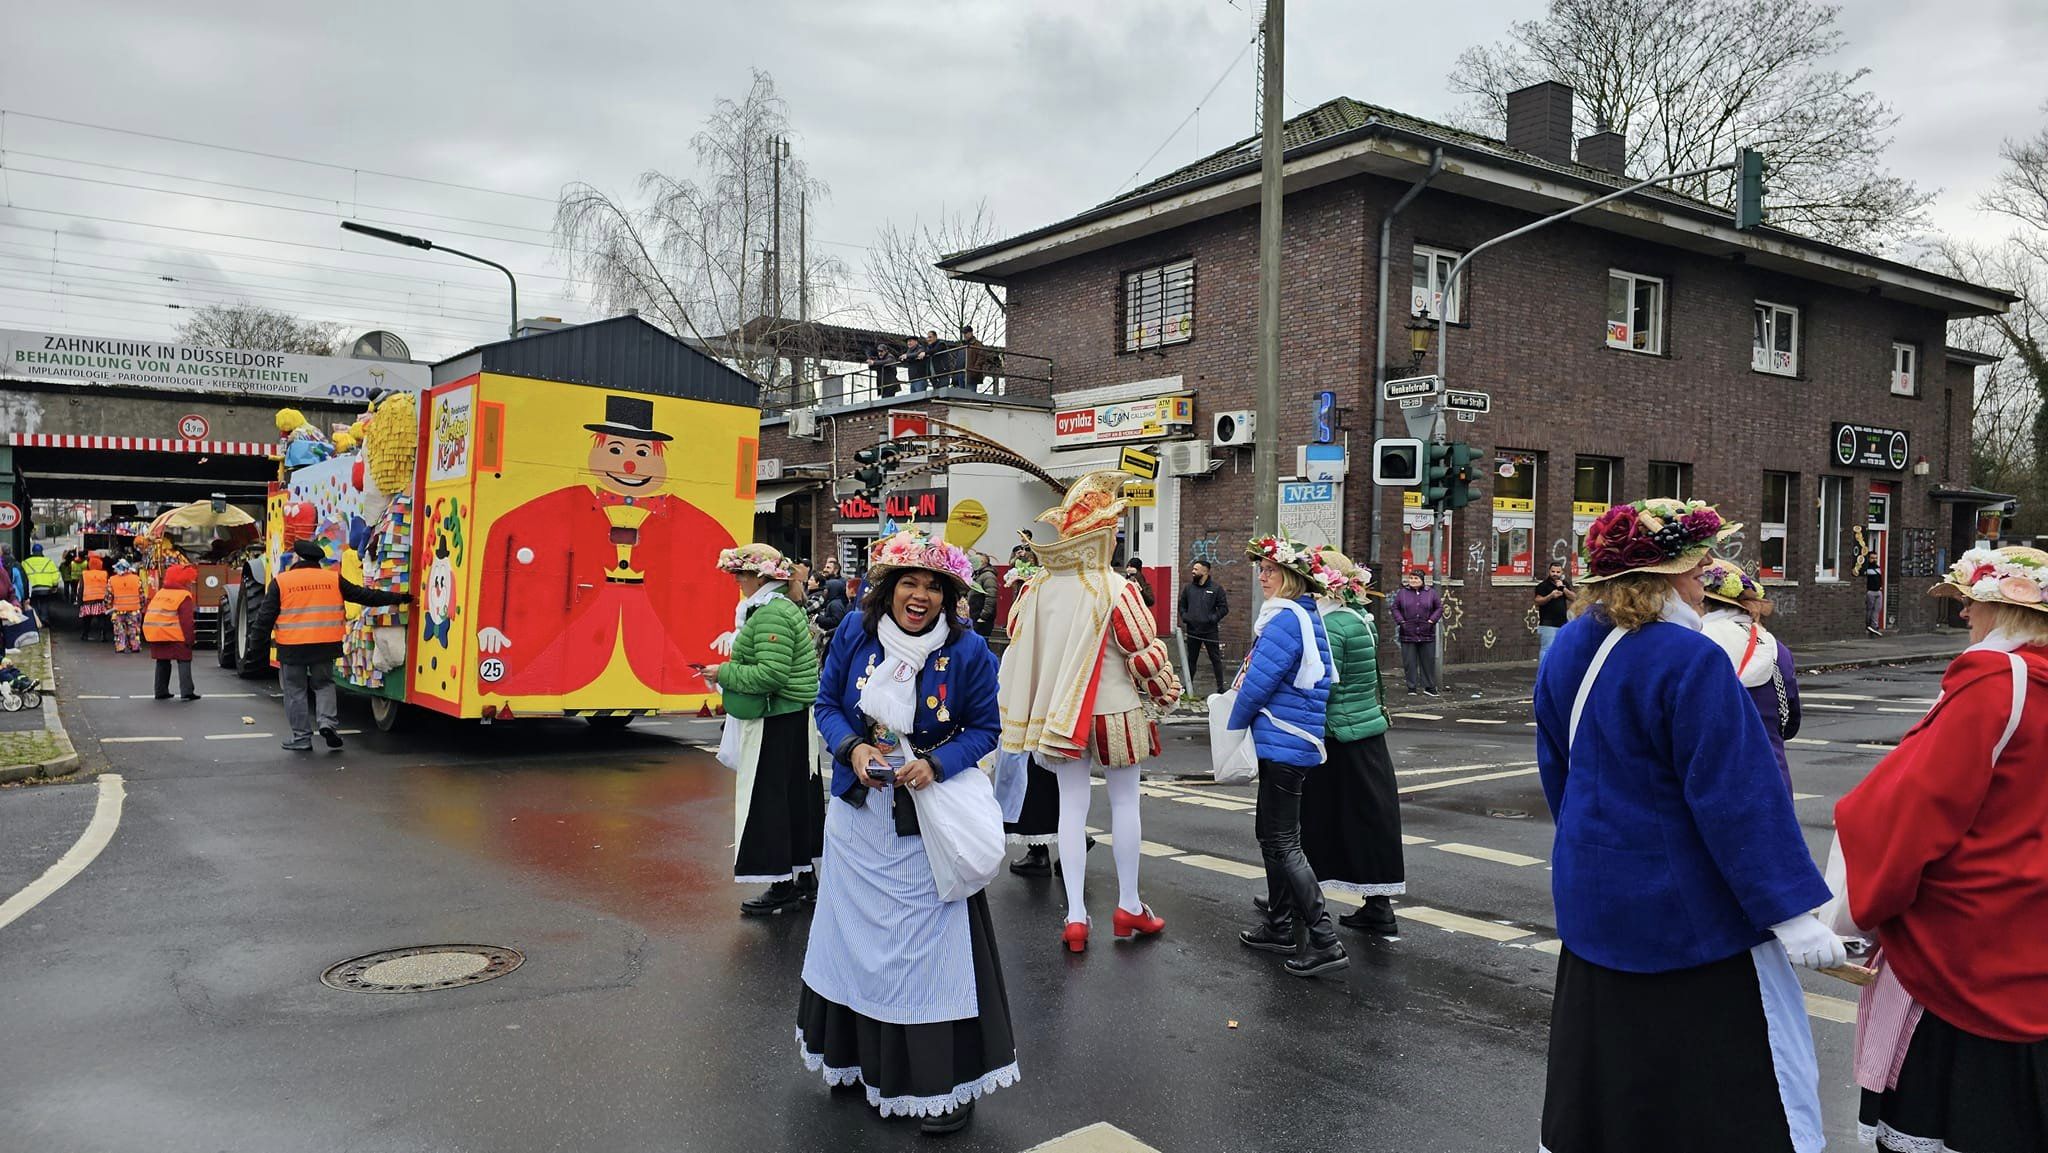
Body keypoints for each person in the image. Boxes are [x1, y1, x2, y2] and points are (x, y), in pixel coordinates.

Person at [1535, 497, 1839, 1153]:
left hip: (1594, 910)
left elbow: (1560, 770)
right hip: (1689, 928)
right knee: (1710, 1100)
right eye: (1698, 571)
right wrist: (1792, 912)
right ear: (1665, 578)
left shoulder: (1565, 650)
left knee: (1615, 1091)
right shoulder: (1691, 659)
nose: (1705, 584)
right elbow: (1736, 795)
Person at [1824, 545, 2048, 1153]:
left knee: (1942, 1116)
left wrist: (1854, 909)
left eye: (1972, 607)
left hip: (1965, 941)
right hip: (2032, 929)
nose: (1965, 620)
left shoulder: (1993, 686)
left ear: (2004, 614)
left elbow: (1907, 814)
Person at [799, 529, 1015, 1135]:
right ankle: (861, 1063)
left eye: (932, 586)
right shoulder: (854, 633)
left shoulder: (970, 653)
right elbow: (826, 705)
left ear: (947, 597)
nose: (919, 596)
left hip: (928, 824)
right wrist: (853, 745)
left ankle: (938, 1083)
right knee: (857, 948)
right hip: (859, 819)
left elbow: (985, 728)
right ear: (888, 589)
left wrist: (937, 763)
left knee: (926, 956)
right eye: (909, 583)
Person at [997, 472, 1182, 951]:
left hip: (1058, 716)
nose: (1119, 533)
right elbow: (1142, 650)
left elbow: (1020, 638)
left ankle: (1077, 917)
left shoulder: (1035, 588)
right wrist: (1166, 691)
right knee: (1125, 805)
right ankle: (1129, 905)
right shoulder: (1116, 587)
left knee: (1071, 809)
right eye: (1115, 525)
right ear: (1100, 533)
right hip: (1114, 711)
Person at [1230, 531, 1345, 978]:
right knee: (1271, 835)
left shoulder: (1284, 620)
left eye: (1270, 570)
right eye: (1261, 569)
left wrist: (1232, 723)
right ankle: (1279, 926)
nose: (1262, 576)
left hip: (1284, 740)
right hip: (1290, 741)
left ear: (1291, 578)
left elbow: (1258, 682)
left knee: (1282, 841)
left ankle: (1324, 938)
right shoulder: (1300, 615)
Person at [702, 544, 824, 917]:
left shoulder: (770, 613)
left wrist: (721, 672)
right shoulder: (783, 607)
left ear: (759, 576)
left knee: (770, 803)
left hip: (776, 718)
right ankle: (803, 879)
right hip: (792, 718)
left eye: (740, 574)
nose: (737, 581)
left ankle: (782, 884)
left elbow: (770, 675)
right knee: (795, 801)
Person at [1302, 550, 1403, 935]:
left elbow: (1325, 682)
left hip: (1338, 733)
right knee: (1369, 818)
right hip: (1366, 728)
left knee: (1317, 819)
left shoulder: (1330, 626)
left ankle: (1299, 896)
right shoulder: (1360, 618)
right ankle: (1378, 903)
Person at [255, 540, 409, 751]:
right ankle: (327, 723)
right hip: (325, 645)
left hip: (292, 647)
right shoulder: (332, 579)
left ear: (298, 558)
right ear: (318, 560)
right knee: (324, 685)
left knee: (296, 691)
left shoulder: (282, 581)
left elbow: (264, 618)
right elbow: (364, 596)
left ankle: (301, 738)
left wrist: (257, 647)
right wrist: (399, 598)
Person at [1699, 560, 1800, 792]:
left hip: (1713, 775)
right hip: (1770, 773)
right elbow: (1788, 722)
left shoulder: (1694, 642)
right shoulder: (1777, 649)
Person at [143, 563, 201, 701]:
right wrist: (190, 639)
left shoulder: (160, 593)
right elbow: (187, 621)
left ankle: (160, 691)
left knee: (162, 661)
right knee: (184, 660)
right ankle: (187, 692)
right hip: (174, 635)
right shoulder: (183, 596)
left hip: (155, 633)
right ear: (184, 580)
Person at [1179, 558, 1229, 694]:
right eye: (1193, 569)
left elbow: (1224, 608)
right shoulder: (1189, 588)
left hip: (1209, 631)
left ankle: (1221, 687)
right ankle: (1187, 688)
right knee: (1191, 660)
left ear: (1205, 571)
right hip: (1192, 630)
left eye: (1196, 569)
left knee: (1215, 659)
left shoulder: (1216, 589)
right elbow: (1182, 605)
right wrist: (1185, 617)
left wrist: (1212, 619)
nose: (1193, 571)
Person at [1389, 569, 1442, 696]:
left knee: (1427, 661)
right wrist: (1401, 622)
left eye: (1416, 578)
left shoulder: (1431, 593)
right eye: (1411, 578)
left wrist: (1431, 621)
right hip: (1407, 631)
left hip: (1426, 631)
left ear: (1422, 580)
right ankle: (1411, 687)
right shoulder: (1403, 593)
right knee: (1409, 661)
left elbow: (1439, 608)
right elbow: (1395, 608)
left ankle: (1429, 687)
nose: (1413, 581)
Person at [1532, 561, 1572, 663]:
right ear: (1549, 571)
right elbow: (1538, 601)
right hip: (1547, 623)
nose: (1555, 574)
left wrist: (1563, 588)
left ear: (1561, 572)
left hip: (1562, 623)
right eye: (1553, 571)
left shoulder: (1564, 584)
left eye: (1558, 572)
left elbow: (1574, 598)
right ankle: (1543, 673)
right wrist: (1551, 596)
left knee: (1560, 649)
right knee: (1547, 649)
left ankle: (1555, 672)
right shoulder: (1543, 585)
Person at [107, 561, 146, 653]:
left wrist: (107, 607)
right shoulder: (136, 579)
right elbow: (142, 595)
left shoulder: (112, 580)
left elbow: (108, 596)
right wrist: (142, 605)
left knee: (119, 629)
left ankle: (120, 646)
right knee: (133, 629)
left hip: (118, 610)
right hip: (134, 609)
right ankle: (135, 646)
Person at [21, 544, 61, 619]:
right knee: (44, 603)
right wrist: (55, 585)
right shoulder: (49, 562)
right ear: (41, 551)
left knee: (34, 603)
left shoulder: (25, 562)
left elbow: (22, 576)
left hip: (32, 589)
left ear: (32, 552)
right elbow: (56, 575)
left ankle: (36, 620)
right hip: (46, 588)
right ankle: (44, 618)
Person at [968, 551, 999, 638]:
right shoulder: (977, 575)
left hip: (981, 618)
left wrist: (984, 616)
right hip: (974, 616)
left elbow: (991, 597)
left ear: (982, 562)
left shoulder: (988, 576)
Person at [78, 555, 109, 642]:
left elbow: (81, 588)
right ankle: (103, 635)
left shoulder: (85, 574)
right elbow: (108, 587)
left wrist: (79, 601)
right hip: (101, 599)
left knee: (87, 619)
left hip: (87, 600)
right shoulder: (104, 574)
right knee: (102, 618)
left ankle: (85, 634)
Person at [1860, 548, 1886, 636]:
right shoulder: (1866, 567)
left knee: (1877, 609)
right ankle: (1868, 624)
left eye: (1875, 558)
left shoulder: (1877, 567)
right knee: (1870, 609)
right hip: (1870, 591)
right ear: (1868, 558)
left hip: (1878, 591)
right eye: (1872, 558)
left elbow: (1879, 578)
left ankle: (1874, 626)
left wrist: (1881, 586)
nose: (1874, 560)